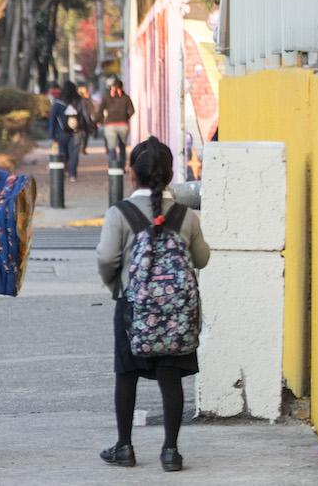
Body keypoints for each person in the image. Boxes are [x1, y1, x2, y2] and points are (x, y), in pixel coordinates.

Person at [95, 137, 210, 472]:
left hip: (132, 308)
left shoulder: (120, 213)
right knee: (170, 377)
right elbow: (202, 259)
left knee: (126, 374)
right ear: (170, 174)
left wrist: (117, 286)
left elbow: (107, 258)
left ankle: (124, 446)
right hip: (176, 313)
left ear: (132, 174)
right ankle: (171, 451)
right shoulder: (186, 216)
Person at [48, 81, 85, 182]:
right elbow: (84, 116)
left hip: (62, 132)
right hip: (76, 131)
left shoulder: (58, 102)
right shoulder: (78, 101)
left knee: (62, 152)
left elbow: (52, 119)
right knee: (74, 153)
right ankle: (72, 174)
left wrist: (51, 136)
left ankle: (62, 172)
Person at [98, 79, 136, 168]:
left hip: (110, 125)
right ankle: (122, 167)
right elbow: (132, 111)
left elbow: (100, 110)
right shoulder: (126, 97)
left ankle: (113, 167)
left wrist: (100, 121)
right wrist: (125, 117)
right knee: (122, 147)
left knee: (112, 147)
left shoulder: (107, 97)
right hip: (123, 125)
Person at [77, 86, 97, 156]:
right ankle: (81, 148)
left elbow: (92, 110)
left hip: (87, 119)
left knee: (86, 135)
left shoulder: (89, 100)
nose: (88, 93)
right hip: (81, 119)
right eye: (86, 92)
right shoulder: (80, 100)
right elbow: (84, 111)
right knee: (83, 135)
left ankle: (83, 148)